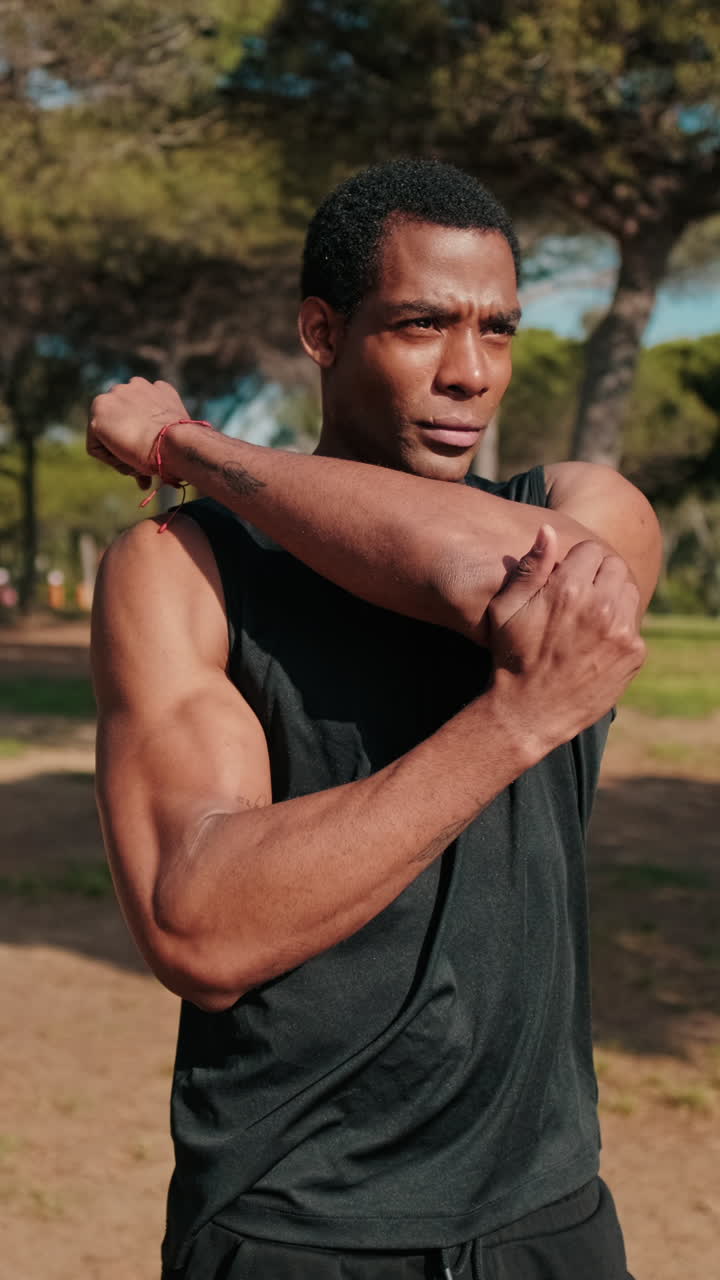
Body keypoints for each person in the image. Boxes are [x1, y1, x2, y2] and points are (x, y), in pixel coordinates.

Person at [88, 158, 660, 1280]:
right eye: (421, 326)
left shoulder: (583, 509)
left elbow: (476, 568)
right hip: (296, 1225)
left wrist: (192, 446)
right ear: (320, 329)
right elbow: (200, 924)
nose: (470, 374)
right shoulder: (184, 568)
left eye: (498, 330)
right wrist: (509, 726)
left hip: (550, 1212)